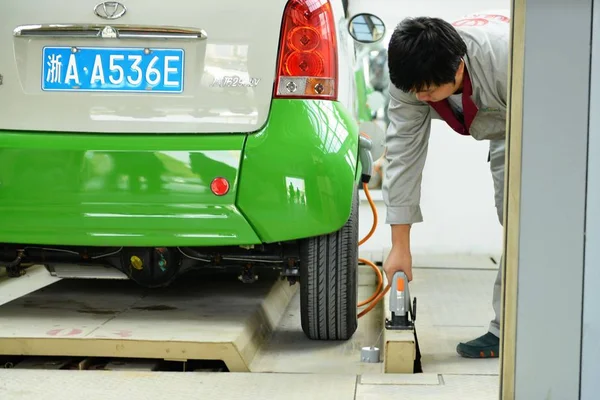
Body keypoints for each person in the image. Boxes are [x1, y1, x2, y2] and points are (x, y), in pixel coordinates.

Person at [381, 11, 510, 359]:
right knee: (513, 221)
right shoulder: (410, 78)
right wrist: (399, 246)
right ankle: (510, 329)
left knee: (531, 223)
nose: (421, 99)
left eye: (428, 92)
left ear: (457, 69)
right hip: (500, 122)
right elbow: (403, 157)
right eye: (414, 92)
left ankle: (515, 328)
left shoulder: (510, 58)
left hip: (538, 112)